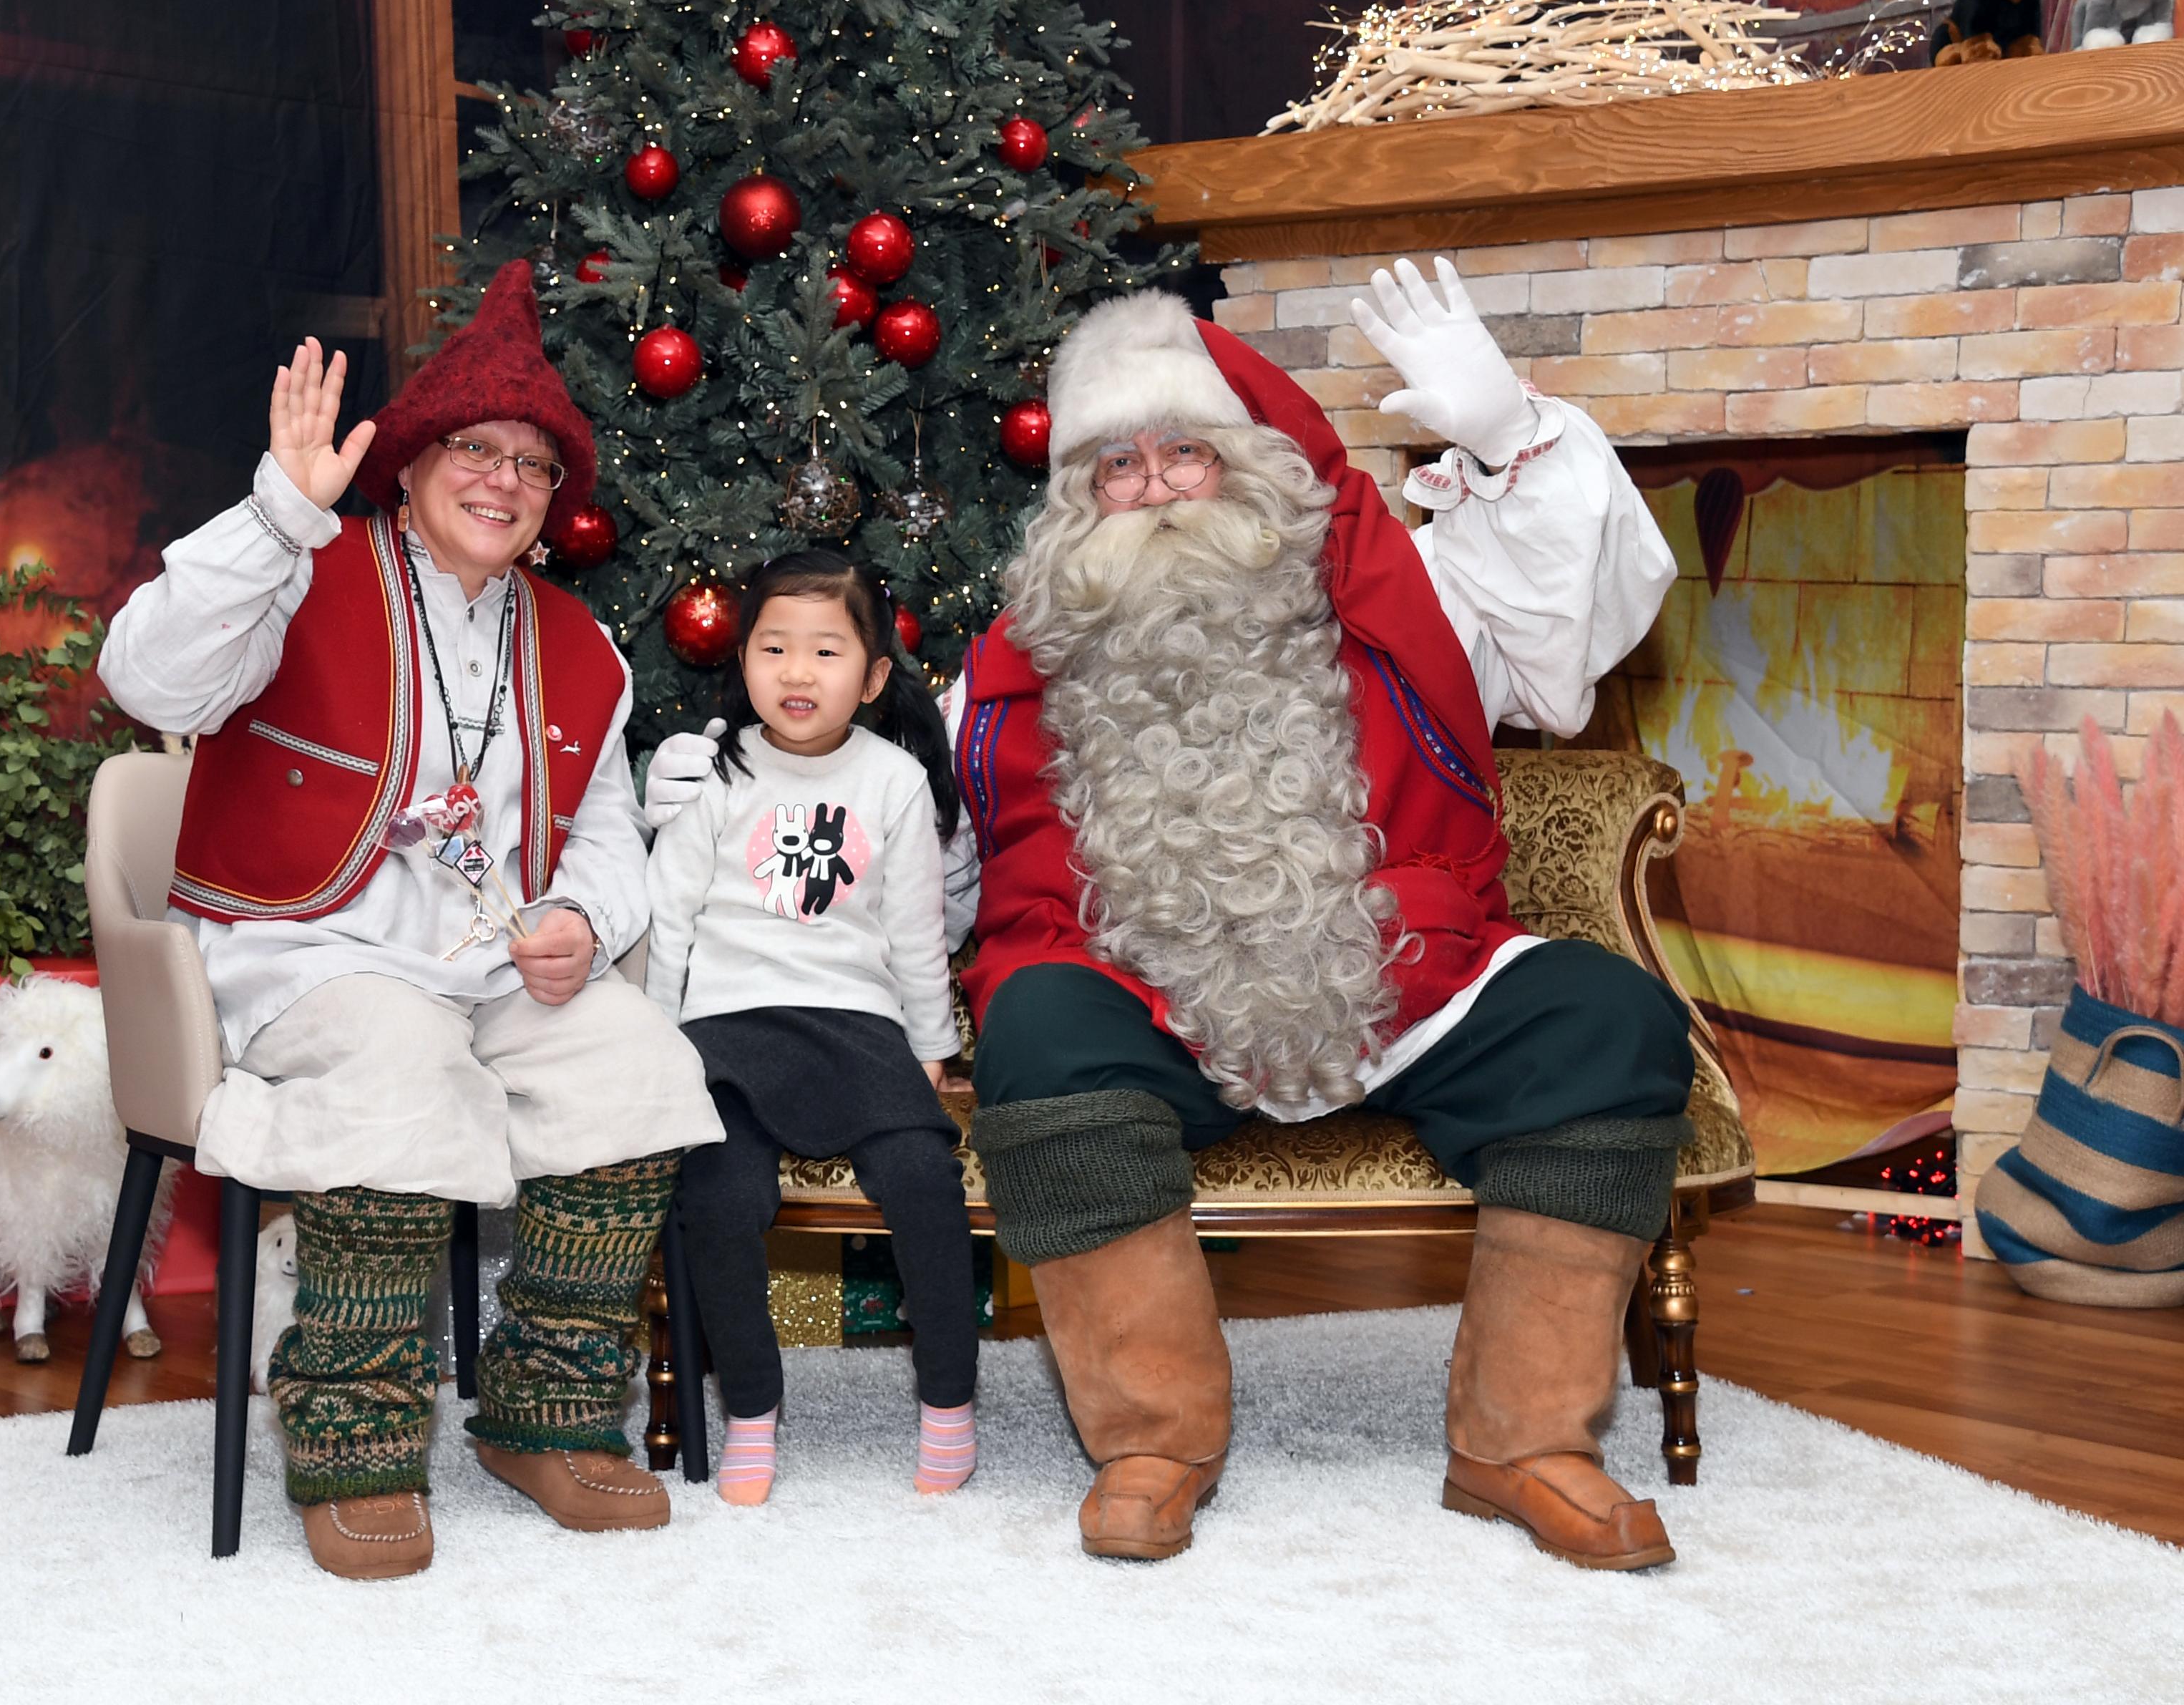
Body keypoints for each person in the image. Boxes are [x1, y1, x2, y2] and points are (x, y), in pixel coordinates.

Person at [649, 258, 1693, 1571]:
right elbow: (912, 861)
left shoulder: (1396, 602)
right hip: (1149, 1003)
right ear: (1075, 506)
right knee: (1036, 1023)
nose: (1150, 488)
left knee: (1606, 1019)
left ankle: (1522, 1441)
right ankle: (1154, 1437)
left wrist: (1505, 436)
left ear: (1246, 466)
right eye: (1115, 468)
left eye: (1182, 454)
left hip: (1405, 981)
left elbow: (1568, 628)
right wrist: (730, 798)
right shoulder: (1001, 684)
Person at [99, 262, 722, 1580]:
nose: (501, 480)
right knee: (400, 1069)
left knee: (639, 1062)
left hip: (495, 965)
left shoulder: (582, 647)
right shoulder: (301, 570)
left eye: (532, 466)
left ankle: (546, 1413)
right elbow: (144, 674)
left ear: (558, 503)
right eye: (473, 449)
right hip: (307, 950)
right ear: (415, 460)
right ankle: (355, 1438)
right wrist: (279, 518)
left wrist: (576, 914)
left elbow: (609, 835)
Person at [644, 550, 980, 1505]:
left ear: (873, 677)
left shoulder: (895, 782)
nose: (797, 673)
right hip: (725, 1027)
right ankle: (752, 1409)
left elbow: (917, 936)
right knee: (718, 1197)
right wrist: (659, 1050)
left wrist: (930, 1054)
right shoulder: (715, 772)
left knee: (923, 1180)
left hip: (855, 1025)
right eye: (774, 647)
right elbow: (671, 922)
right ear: (741, 660)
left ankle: (949, 1403)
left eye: (826, 651)